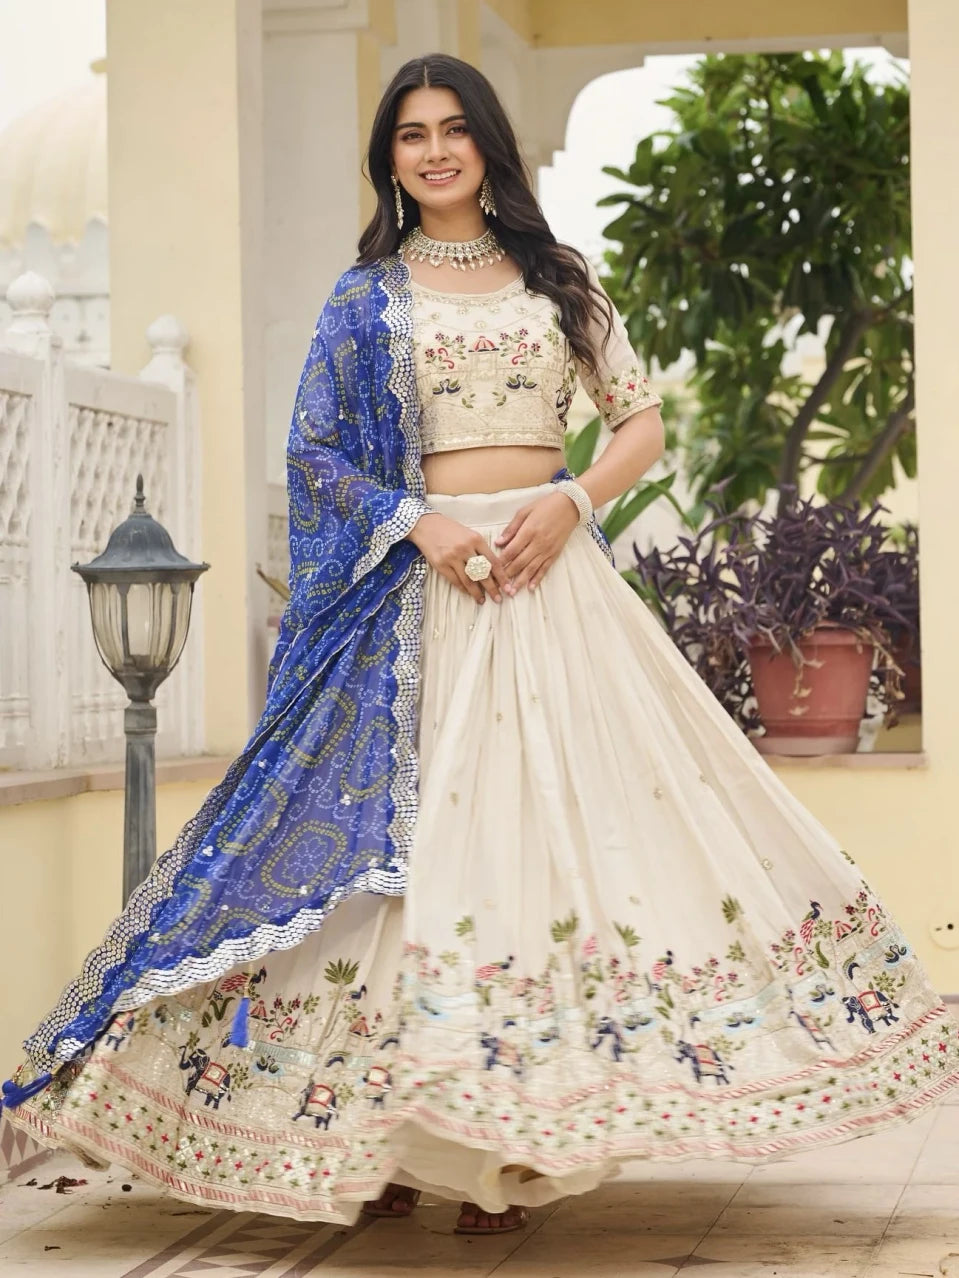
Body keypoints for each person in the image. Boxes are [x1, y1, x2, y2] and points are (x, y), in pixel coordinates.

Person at [3, 53, 957, 1238]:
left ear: (486, 141)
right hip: (427, 593)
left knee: (549, 845)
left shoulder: (558, 280)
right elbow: (315, 457)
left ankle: (510, 1144)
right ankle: (394, 1139)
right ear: (389, 160)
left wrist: (568, 504)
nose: (435, 151)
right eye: (411, 135)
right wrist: (424, 524)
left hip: (554, 584)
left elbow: (639, 423)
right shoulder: (365, 299)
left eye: (453, 129)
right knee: (410, 862)